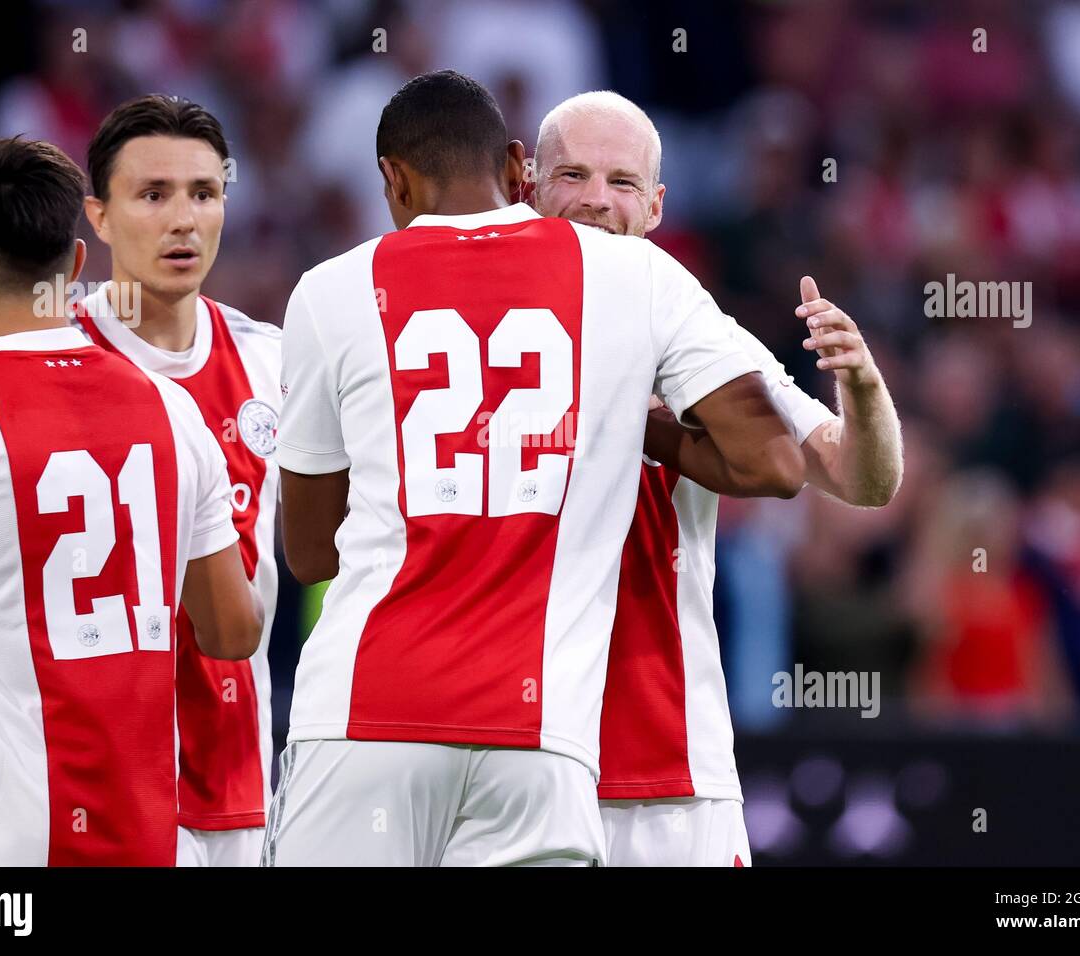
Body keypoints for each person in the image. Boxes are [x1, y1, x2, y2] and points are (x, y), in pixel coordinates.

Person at [267, 70, 804, 867]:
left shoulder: (332, 289)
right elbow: (775, 462)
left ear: (392, 177)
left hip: (362, 716)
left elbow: (309, 552)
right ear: (520, 167)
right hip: (541, 739)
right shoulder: (631, 275)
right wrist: (633, 429)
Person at [0, 95, 284, 867]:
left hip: (231, 780)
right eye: (153, 194)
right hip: (89, 782)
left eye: (204, 194)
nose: (183, 220)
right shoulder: (34, 357)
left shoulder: (275, 359)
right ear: (95, 223)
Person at [531, 90, 904, 865]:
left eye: (622, 182)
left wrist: (862, 388)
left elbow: (862, 480)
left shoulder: (687, 325)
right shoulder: (466, 326)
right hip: (511, 760)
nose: (597, 200)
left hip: (669, 774)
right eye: (573, 174)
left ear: (658, 205)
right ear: (528, 183)